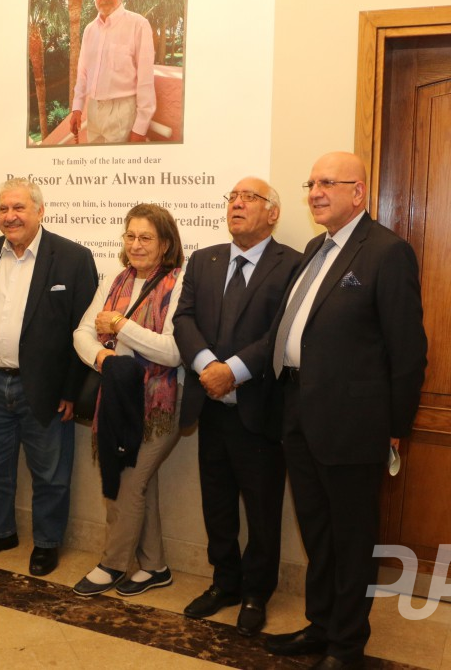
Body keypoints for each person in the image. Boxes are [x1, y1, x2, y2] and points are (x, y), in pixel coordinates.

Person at [264, 152, 427, 670]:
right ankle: (321, 625)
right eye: (311, 183)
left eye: (327, 183)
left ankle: (347, 645)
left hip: (354, 423)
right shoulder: (317, 247)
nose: (315, 192)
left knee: (352, 537)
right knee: (317, 530)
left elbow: (408, 351)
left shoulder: (387, 252)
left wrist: (396, 427)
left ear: (358, 192)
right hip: (299, 411)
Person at [172, 177, 301, 636]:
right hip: (210, 407)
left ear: (273, 213)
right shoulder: (204, 260)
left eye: (250, 198)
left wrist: (234, 370)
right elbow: (183, 318)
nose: (238, 204)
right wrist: (208, 366)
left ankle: (255, 592)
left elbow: (283, 331)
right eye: (233, 197)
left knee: (263, 510)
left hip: (260, 410)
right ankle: (224, 583)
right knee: (218, 503)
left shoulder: (293, 264)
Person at [0, 178, 98, 576]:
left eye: (19, 208)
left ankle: (47, 542)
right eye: (4, 209)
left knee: (50, 473)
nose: (10, 216)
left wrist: (71, 391)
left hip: (46, 387)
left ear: (40, 210)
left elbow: (84, 329)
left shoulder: (73, 258)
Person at [70, 204, 185, 597]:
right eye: (130, 236)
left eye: (146, 237)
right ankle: (155, 567)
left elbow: (172, 351)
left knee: (126, 480)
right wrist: (104, 360)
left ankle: (113, 563)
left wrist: (120, 325)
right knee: (139, 483)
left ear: (165, 243)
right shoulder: (115, 280)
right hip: (118, 399)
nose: (136, 245)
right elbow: (82, 333)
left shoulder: (179, 283)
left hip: (161, 402)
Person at [68, 0, 156, 144]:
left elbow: (146, 82)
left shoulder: (138, 25)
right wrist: (77, 108)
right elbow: (83, 73)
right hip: (93, 110)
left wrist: (140, 128)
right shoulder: (89, 30)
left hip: (122, 113)